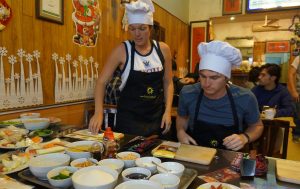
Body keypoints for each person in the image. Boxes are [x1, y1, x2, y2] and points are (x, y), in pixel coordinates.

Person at [89, 0, 173, 136]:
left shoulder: (163, 50)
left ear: (150, 28)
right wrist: (98, 112)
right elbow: (101, 82)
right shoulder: (122, 50)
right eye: (132, 29)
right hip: (129, 121)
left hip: (156, 118)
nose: (137, 34)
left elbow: (168, 82)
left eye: (142, 28)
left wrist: (168, 111)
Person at [176, 41, 263, 151]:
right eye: (203, 76)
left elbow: (257, 126)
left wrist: (244, 137)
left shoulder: (245, 97)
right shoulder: (188, 92)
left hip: (229, 157)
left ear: (226, 78)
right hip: (196, 153)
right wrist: (180, 131)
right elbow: (182, 117)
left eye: (214, 78)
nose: (206, 83)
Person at [288, 55, 300, 143]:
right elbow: (291, 74)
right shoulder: (298, 58)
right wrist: (293, 90)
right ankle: (296, 136)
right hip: (299, 92)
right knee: (298, 116)